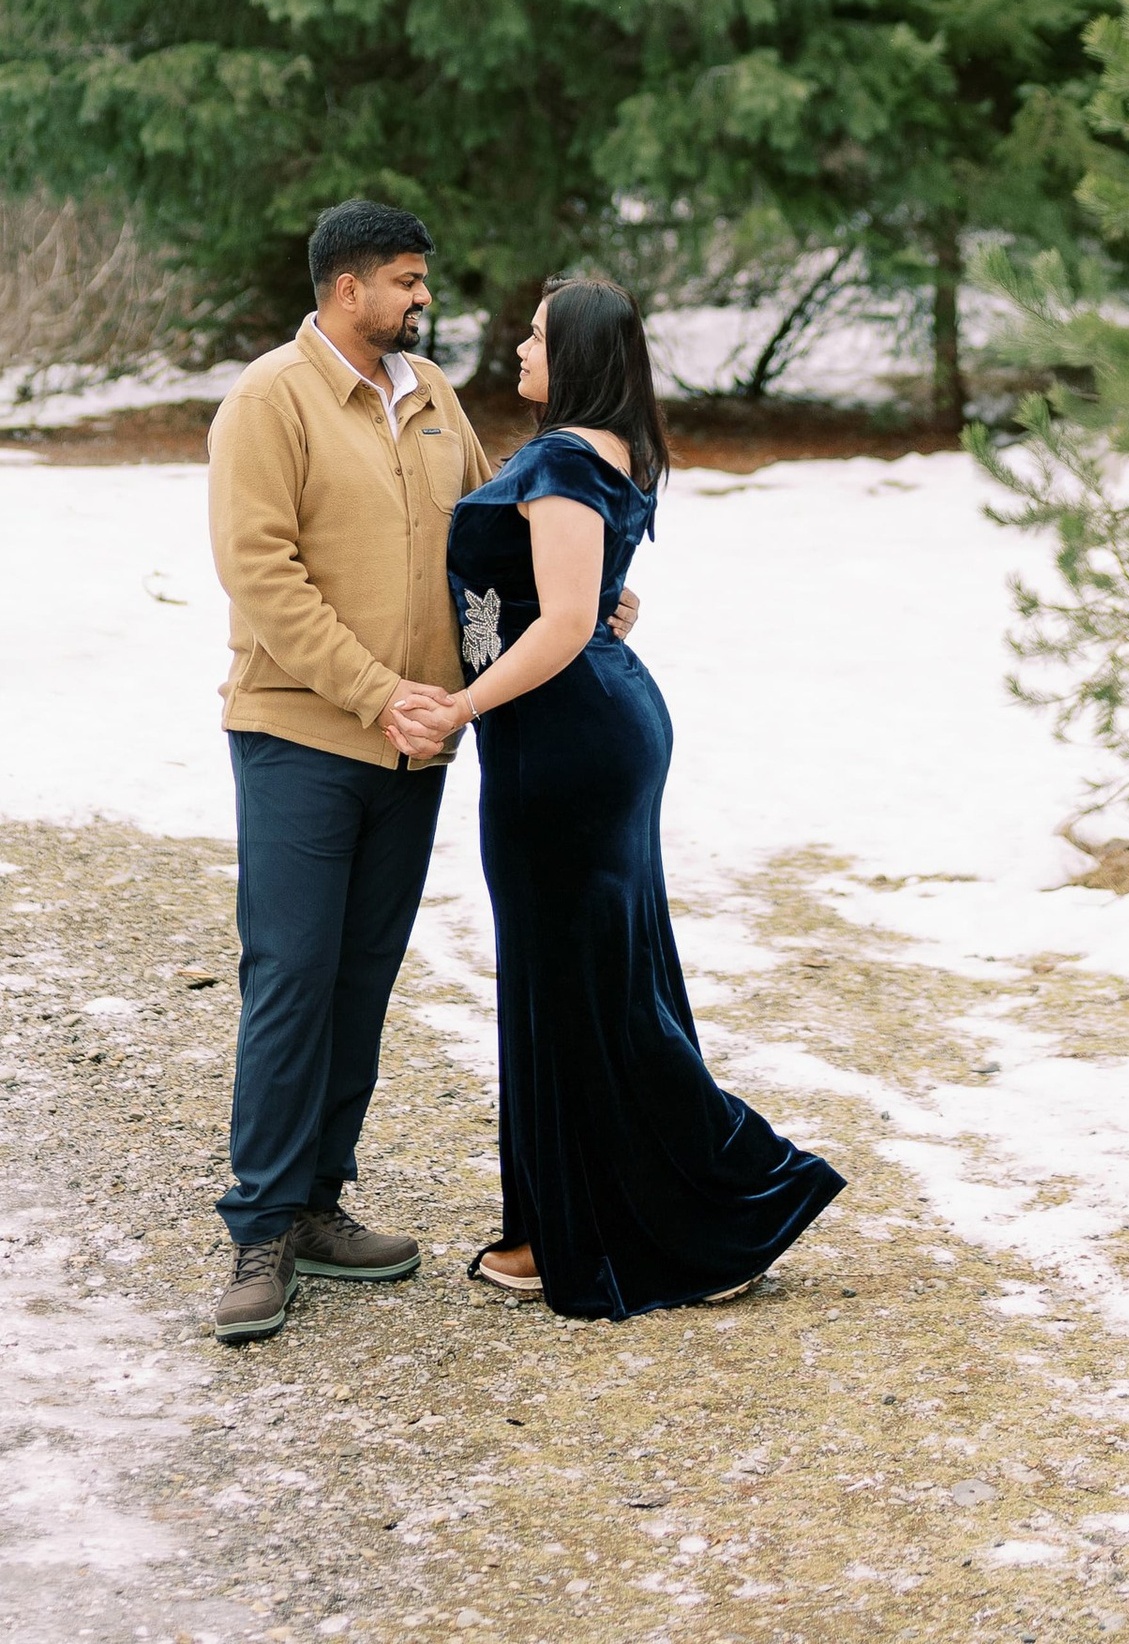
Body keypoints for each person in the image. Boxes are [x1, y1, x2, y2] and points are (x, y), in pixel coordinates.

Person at [400, 276, 844, 1321]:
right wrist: (599, 603)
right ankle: (552, 1225)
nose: (519, 346)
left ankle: (728, 1198)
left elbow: (556, 627)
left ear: (581, 357)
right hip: (583, 732)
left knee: (581, 982)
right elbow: (585, 596)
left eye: (539, 336)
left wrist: (460, 706)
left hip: (563, 743)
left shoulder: (560, 458)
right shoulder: (611, 452)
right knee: (580, 974)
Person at [201, 197, 493, 1346]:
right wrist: (380, 693)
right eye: (405, 281)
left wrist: (580, 595)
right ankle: (260, 1228)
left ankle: (321, 1201)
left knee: (362, 974)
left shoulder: (430, 395)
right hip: (301, 738)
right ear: (344, 288)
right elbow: (261, 574)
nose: (421, 299)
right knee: (292, 973)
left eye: (419, 281)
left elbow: (483, 533)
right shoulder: (270, 400)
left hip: (416, 743)